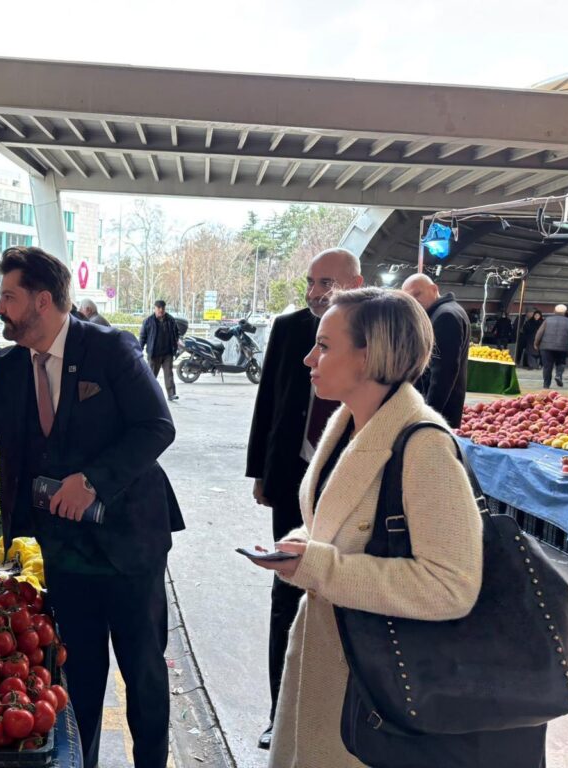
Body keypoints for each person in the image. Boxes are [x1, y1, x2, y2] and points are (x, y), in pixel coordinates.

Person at [0, 246, 184, 768]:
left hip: (130, 542)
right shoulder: (10, 366)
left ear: (42, 301)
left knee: (144, 674)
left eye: (9, 297)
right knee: (80, 675)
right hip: (65, 550)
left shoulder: (110, 350)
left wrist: (91, 481)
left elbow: (157, 426)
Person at [253, 288, 546, 768]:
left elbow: (450, 585)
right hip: (333, 672)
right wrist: (303, 545)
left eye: (325, 346)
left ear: (371, 355)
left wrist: (321, 566)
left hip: (383, 695)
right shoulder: (350, 425)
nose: (309, 358)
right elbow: (343, 527)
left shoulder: (424, 446)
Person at [246, 247, 363, 750]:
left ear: (356, 283)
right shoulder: (292, 328)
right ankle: (280, 715)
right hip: (295, 478)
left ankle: (342, 719)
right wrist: (260, 471)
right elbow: (269, 397)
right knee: (286, 595)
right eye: (312, 283)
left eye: (327, 283)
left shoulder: (378, 332)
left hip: (352, 486)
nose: (316, 293)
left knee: (340, 599)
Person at [401, 274, 470, 429]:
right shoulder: (447, 311)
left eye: (417, 294)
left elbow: (443, 373)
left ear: (434, 289)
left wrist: (430, 415)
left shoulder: (445, 316)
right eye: (409, 298)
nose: (414, 301)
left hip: (440, 413)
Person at [138, 300, 181, 401]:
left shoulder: (171, 320)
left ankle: (171, 394)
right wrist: (138, 350)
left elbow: (176, 334)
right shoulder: (148, 321)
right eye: (159, 308)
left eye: (163, 308)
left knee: (169, 374)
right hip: (154, 353)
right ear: (155, 308)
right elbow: (142, 337)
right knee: (151, 375)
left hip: (168, 353)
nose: (161, 310)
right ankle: (147, 393)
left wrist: (175, 347)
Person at [534, 304, 568, 388]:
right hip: (562, 346)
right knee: (561, 362)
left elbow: (539, 333)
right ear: (565, 312)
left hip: (546, 347)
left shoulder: (548, 320)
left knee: (547, 366)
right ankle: (558, 375)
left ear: (554, 311)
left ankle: (546, 385)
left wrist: (536, 343)